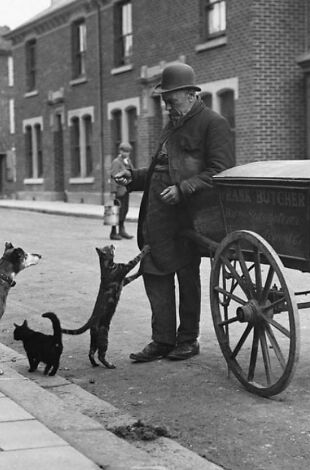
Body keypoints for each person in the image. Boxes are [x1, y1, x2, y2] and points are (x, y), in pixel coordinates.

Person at [113, 63, 234, 362]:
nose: (166, 104)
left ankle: (188, 339)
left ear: (192, 94)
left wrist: (183, 189)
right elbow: (161, 170)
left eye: (171, 98)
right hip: (157, 217)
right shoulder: (172, 124)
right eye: (164, 98)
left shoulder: (212, 124)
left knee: (186, 274)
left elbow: (221, 172)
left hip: (189, 217)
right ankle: (162, 339)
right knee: (154, 272)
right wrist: (135, 177)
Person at [109, 142, 135, 240]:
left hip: (126, 190)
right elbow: (113, 177)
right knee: (116, 211)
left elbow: (132, 172)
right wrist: (113, 192)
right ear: (120, 151)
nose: (127, 153)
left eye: (128, 152)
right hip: (118, 191)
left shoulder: (127, 161)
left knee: (124, 210)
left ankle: (122, 230)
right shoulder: (116, 162)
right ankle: (113, 232)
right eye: (125, 151)